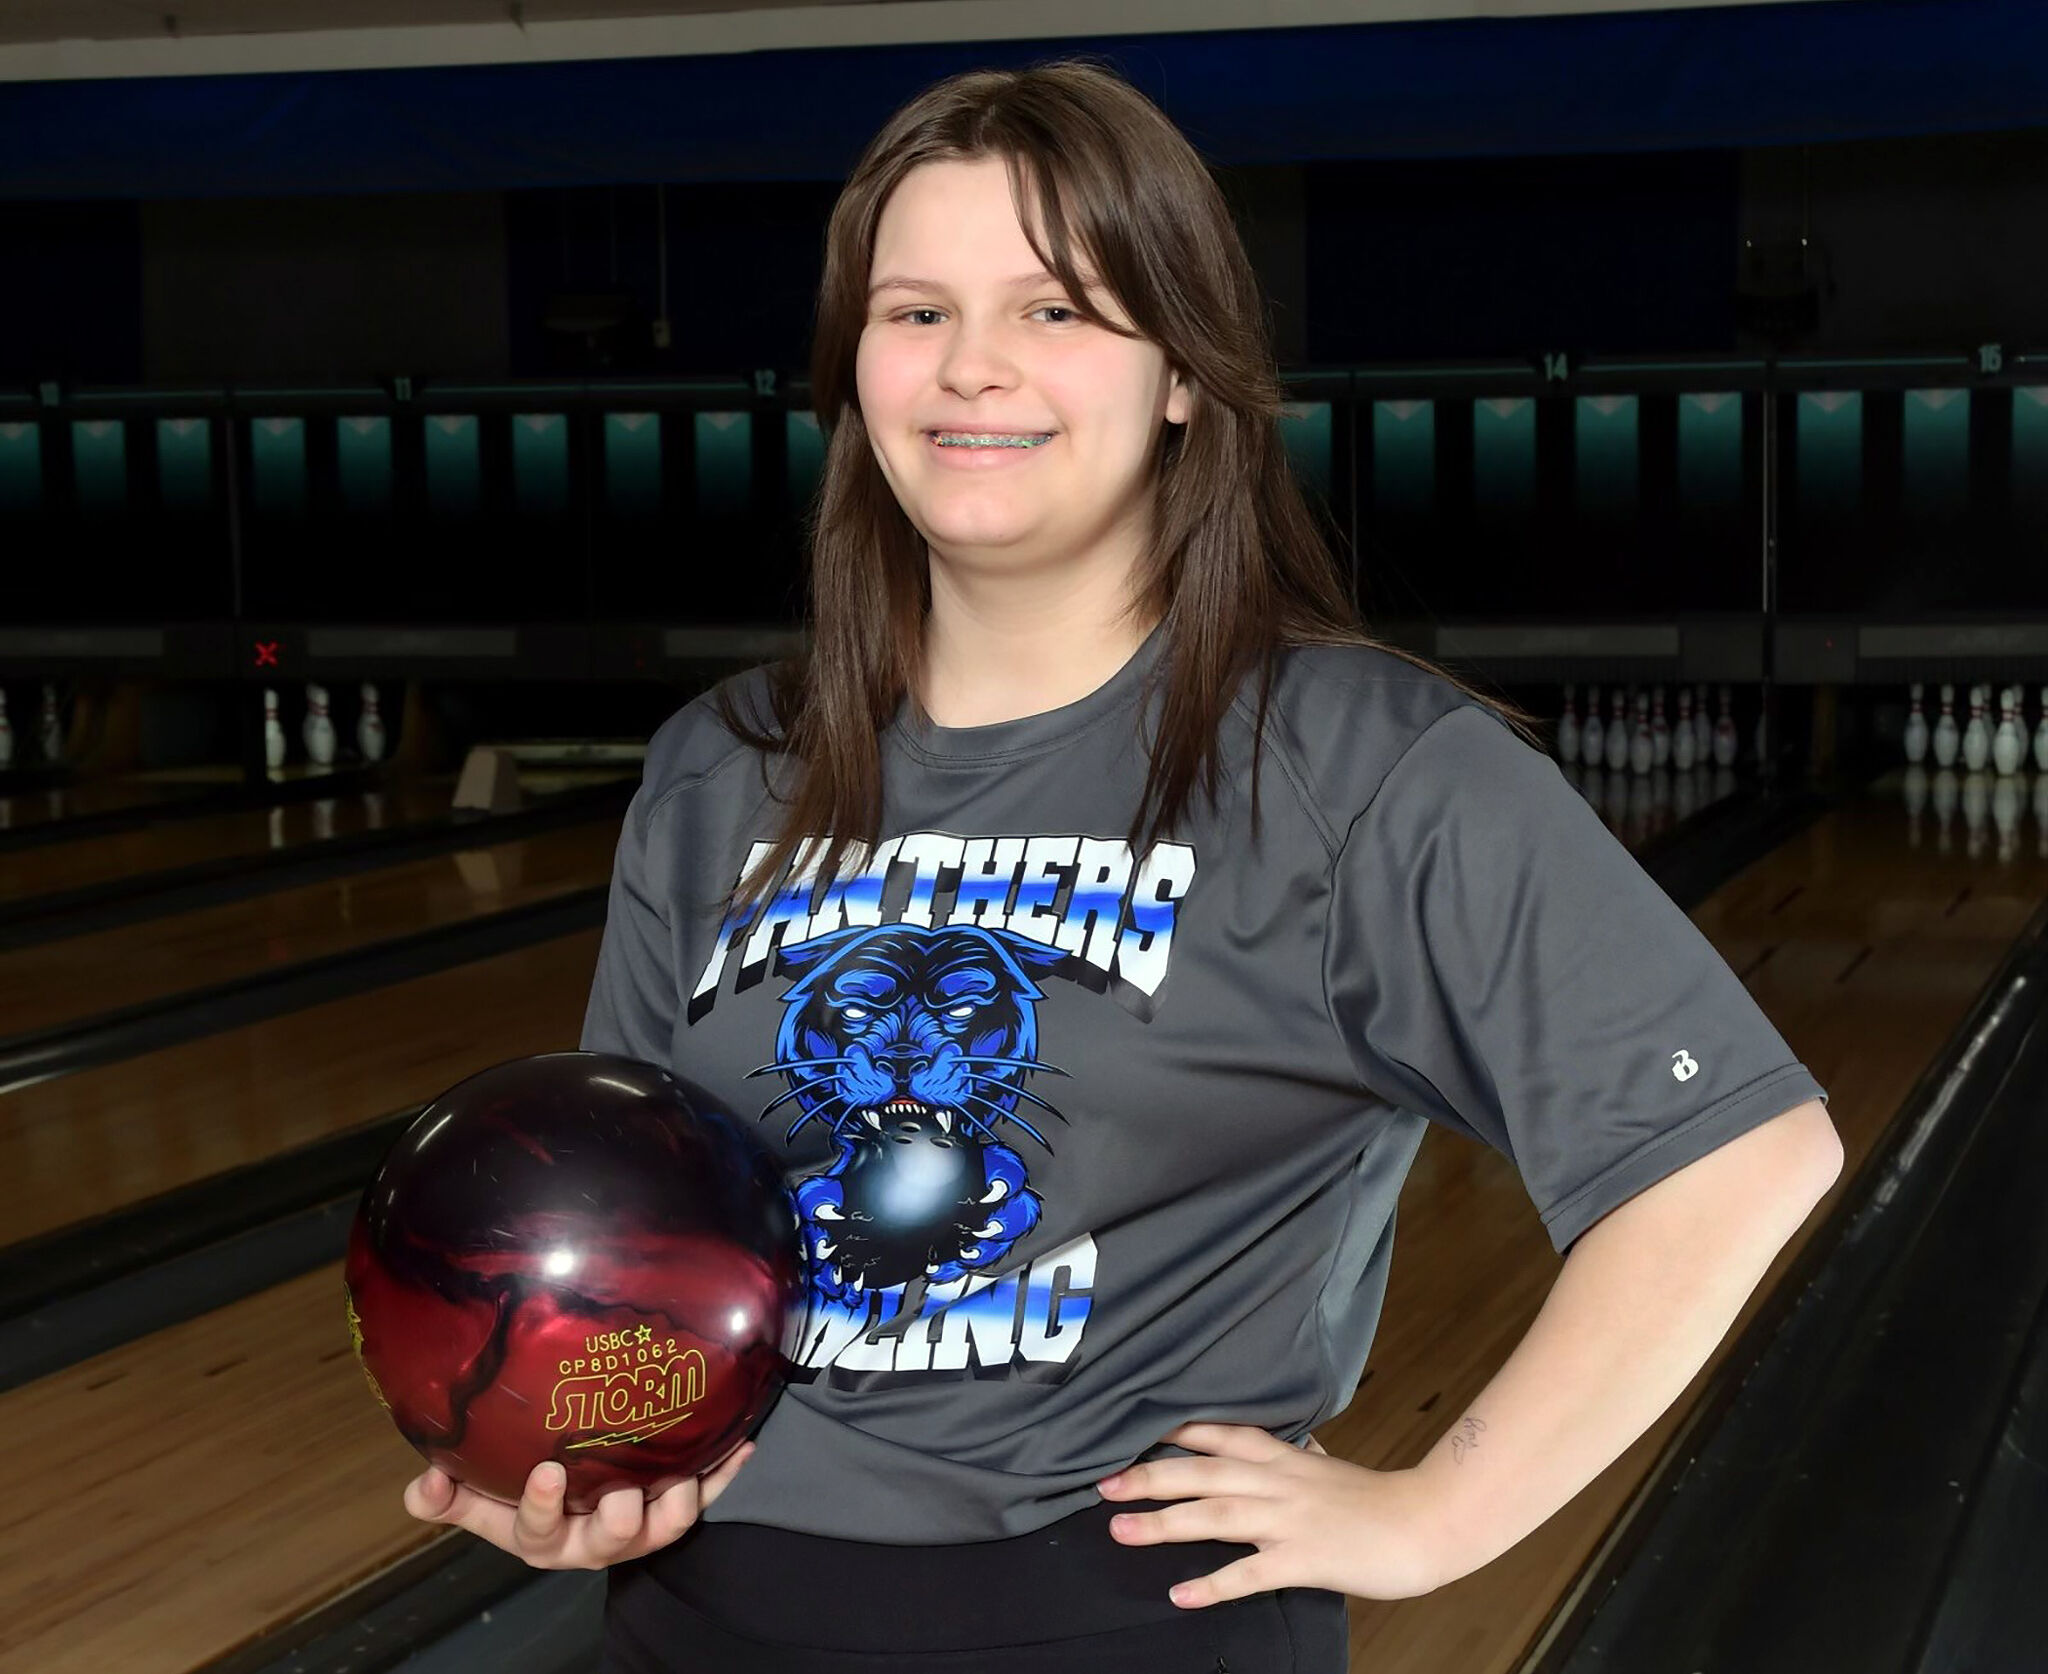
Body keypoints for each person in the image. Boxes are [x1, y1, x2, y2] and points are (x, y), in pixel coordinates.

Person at [404, 57, 1844, 1672]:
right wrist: (597, 1462)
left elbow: (1740, 1153)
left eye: (1058, 311)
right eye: (917, 310)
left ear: (1182, 373)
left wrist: (1434, 1513)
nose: (974, 368)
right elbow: (639, 1235)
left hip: (1122, 1624)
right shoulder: (717, 768)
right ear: (853, 364)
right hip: (704, 1622)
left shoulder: (1355, 766)